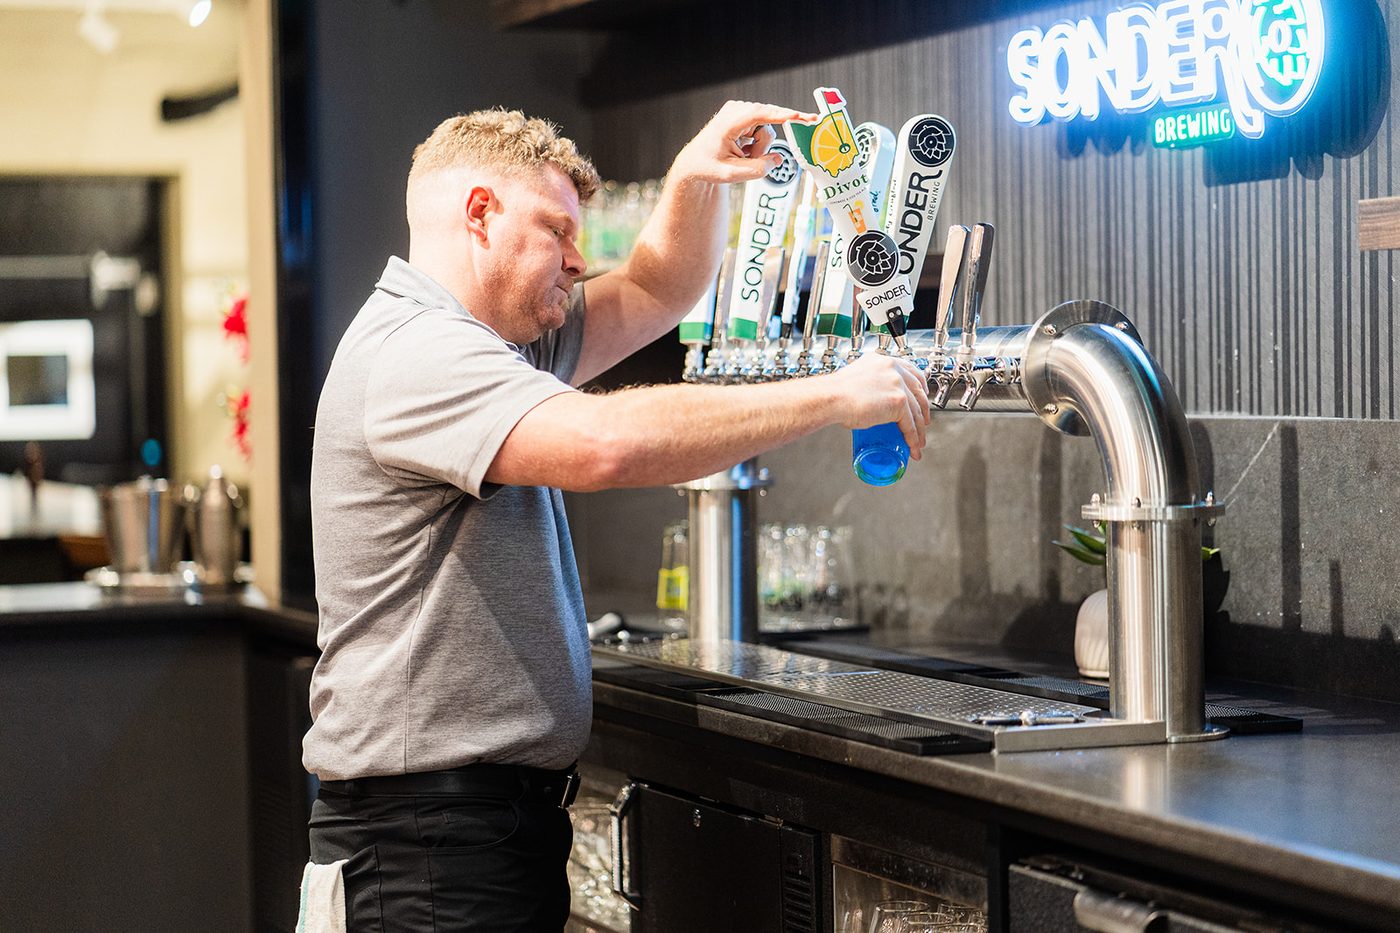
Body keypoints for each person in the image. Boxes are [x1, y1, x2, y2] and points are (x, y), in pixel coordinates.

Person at [302, 101, 930, 932]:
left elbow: (654, 287)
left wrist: (697, 177)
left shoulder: (496, 344)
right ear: (479, 213)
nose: (575, 257)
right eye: (557, 230)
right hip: (425, 847)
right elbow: (603, 444)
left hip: (468, 834)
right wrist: (837, 393)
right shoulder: (418, 352)